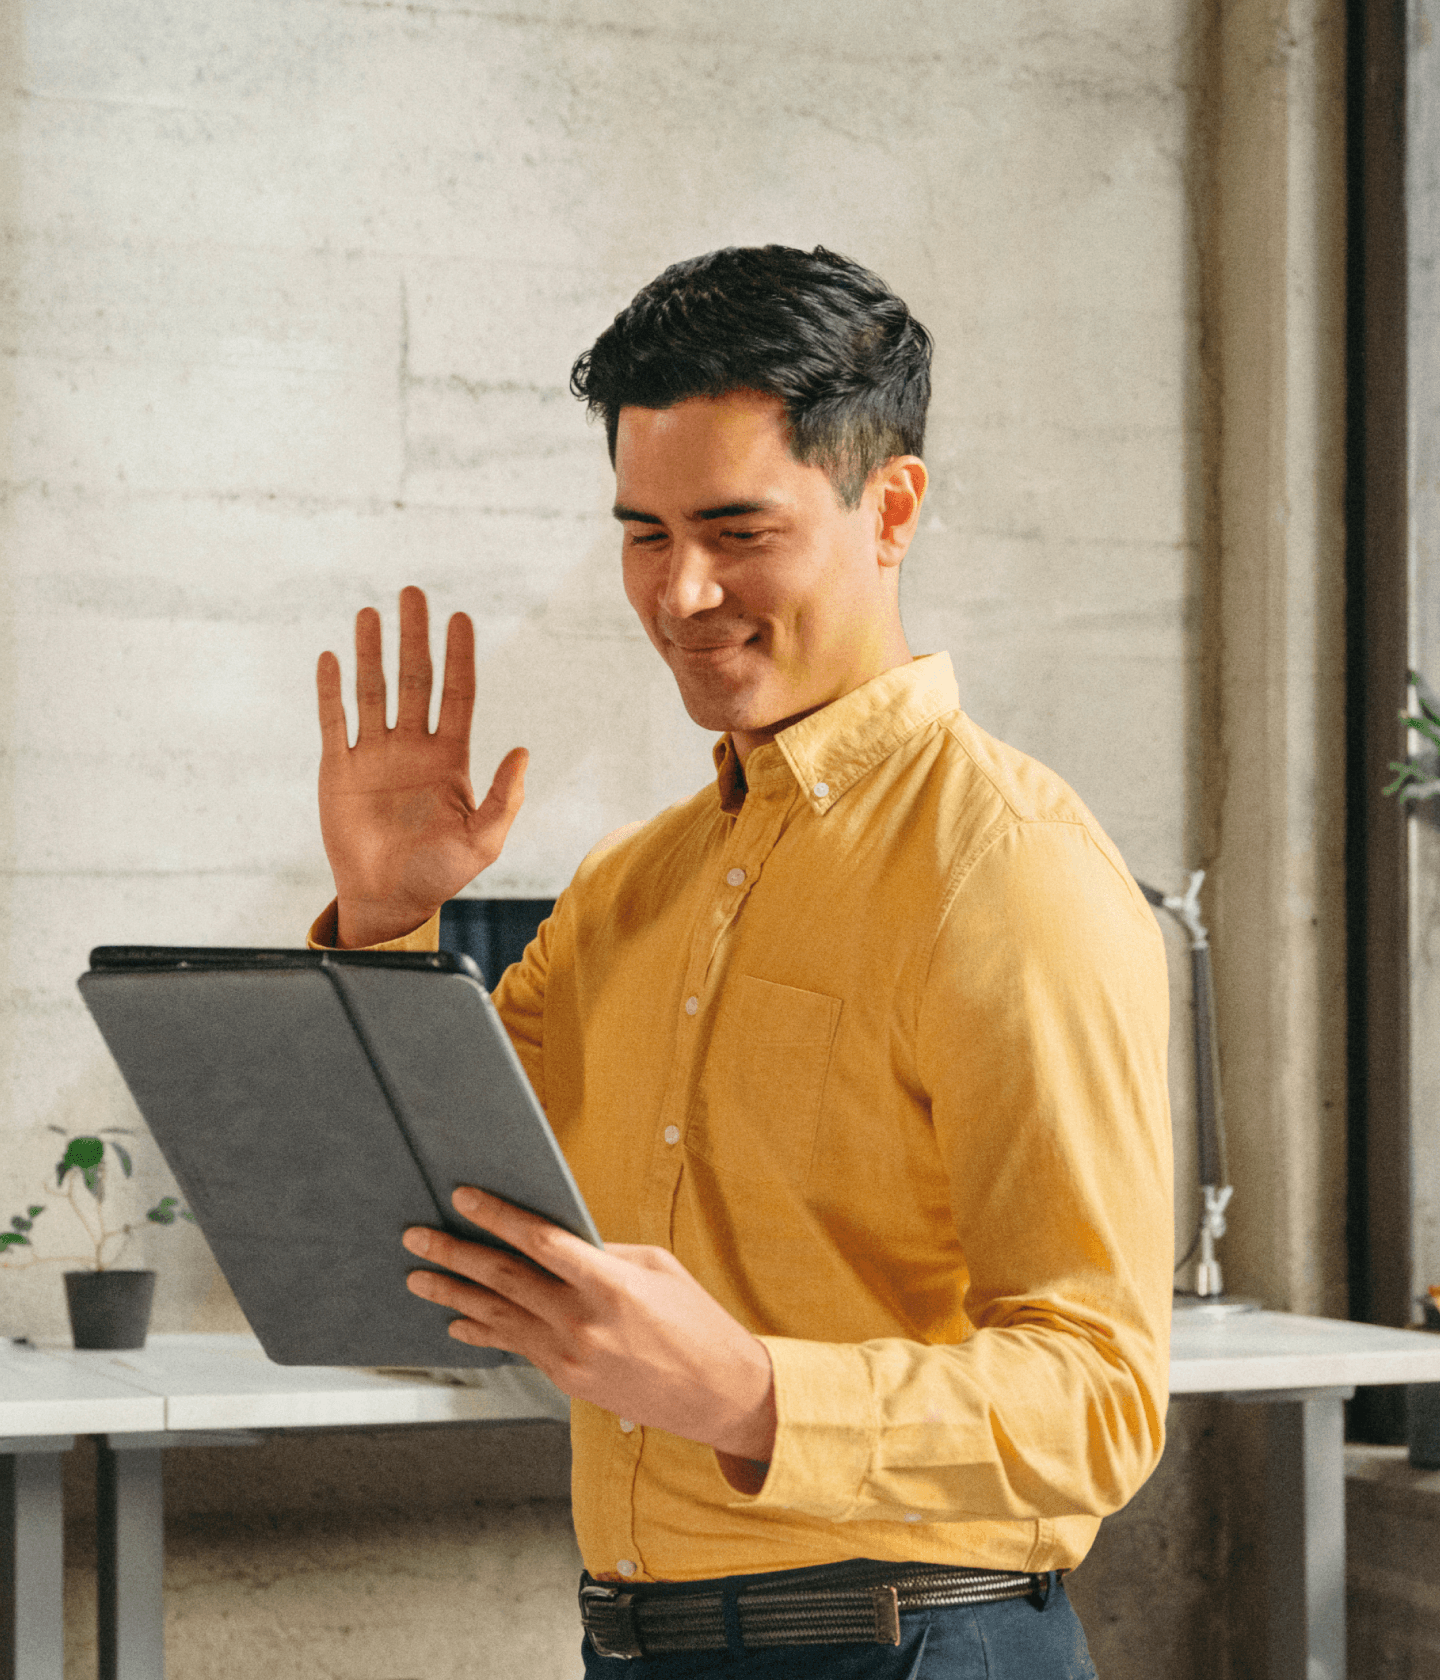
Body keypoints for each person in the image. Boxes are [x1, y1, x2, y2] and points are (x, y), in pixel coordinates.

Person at [309, 245, 1172, 1678]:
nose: (681, 592)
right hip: (644, 1647)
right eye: (644, 533)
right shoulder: (630, 888)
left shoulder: (1007, 868)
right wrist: (387, 922)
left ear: (889, 507)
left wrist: (753, 1394)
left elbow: (1099, 1402)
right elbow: (398, 1224)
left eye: (736, 528)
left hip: (914, 1648)